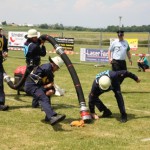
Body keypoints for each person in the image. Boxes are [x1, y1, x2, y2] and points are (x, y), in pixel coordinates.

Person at [24, 56, 66, 126]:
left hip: (36, 85)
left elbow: (49, 84)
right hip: (31, 86)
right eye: (58, 67)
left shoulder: (47, 67)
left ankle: (48, 117)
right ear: (54, 65)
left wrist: (51, 89)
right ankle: (52, 117)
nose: (57, 70)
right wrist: (49, 88)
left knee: (47, 96)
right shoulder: (48, 69)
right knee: (44, 98)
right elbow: (50, 83)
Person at [24, 29, 47, 107]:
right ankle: (35, 103)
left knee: (35, 83)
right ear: (32, 37)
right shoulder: (34, 46)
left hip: (29, 65)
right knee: (38, 84)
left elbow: (35, 43)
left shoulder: (27, 43)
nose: (36, 38)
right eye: (35, 37)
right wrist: (43, 45)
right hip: (34, 67)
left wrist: (39, 41)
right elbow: (43, 54)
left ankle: (35, 103)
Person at [0, 26, 9, 111]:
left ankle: (1, 103)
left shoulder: (3, 38)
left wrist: (5, 52)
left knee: (0, 83)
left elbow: (5, 48)